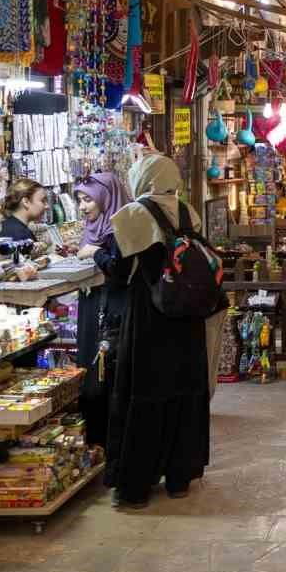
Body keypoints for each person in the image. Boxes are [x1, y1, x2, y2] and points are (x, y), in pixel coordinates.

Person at [103, 154, 212, 508]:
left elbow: (118, 270)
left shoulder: (135, 214)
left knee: (146, 392)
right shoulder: (187, 211)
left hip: (151, 318)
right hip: (187, 316)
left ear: (143, 179)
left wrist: (95, 255)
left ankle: (136, 483)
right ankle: (179, 476)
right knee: (183, 389)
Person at [74, 171, 128, 446]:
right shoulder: (94, 229)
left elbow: (118, 271)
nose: (83, 207)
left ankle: (108, 444)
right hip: (93, 309)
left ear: (106, 198)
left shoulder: (119, 230)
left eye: (88, 200)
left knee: (104, 376)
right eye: (80, 200)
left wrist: (94, 252)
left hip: (110, 313)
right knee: (91, 374)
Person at [0, 177, 48, 243]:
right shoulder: (19, 235)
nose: (47, 206)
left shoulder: (9, 226)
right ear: (26, 202)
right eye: (43, 201)